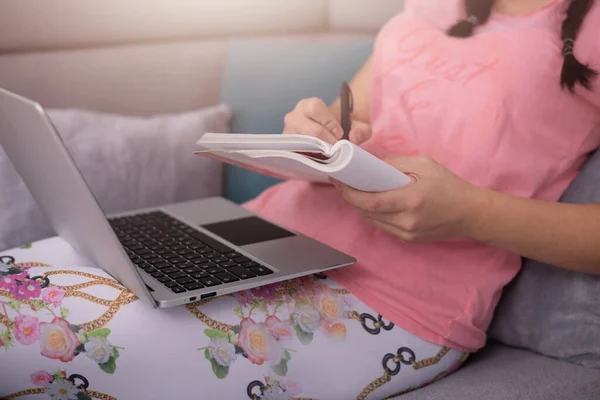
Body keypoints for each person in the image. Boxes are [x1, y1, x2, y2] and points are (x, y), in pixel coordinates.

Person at [2, 1, 599, 399]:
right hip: (258, 232)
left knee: (21, 338)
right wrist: (316, 134)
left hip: (395, 302)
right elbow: (359, 114)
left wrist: (471, 211)